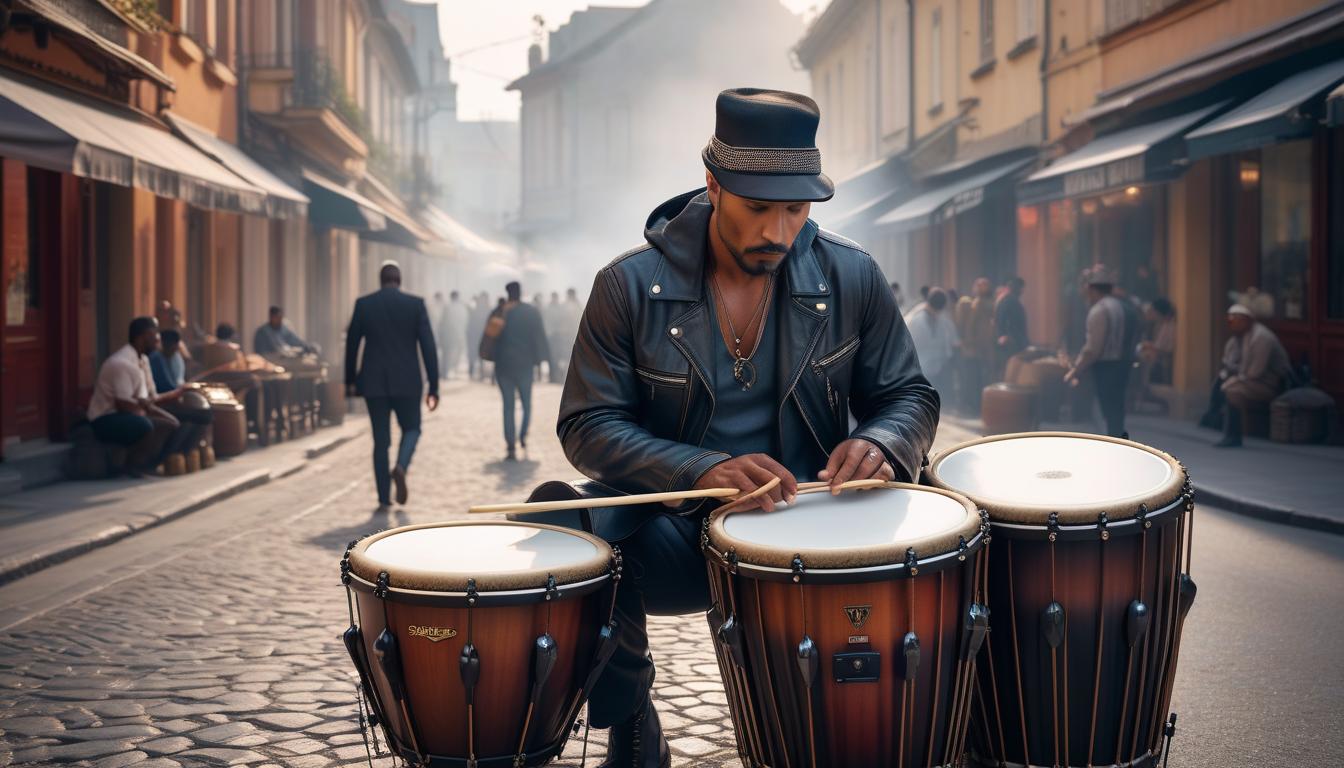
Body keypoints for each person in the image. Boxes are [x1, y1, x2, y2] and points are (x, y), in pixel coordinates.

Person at [556, 88, 938, 767]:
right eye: (759, 208)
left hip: (824, 523)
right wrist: (695, 470)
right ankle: (634, 719)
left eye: (796, 210)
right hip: (687, 529)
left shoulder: (852, 276)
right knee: (574, 542)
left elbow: (908, 394)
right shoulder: (626, 286)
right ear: (713, 185)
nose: (778, 231)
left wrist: (880, 443)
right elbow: (587, 424)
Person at [344, 261, 440, 508]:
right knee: (412, 428)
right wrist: (434, 386)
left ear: (381, 280)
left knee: (380, 441)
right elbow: (428, 347)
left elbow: (352, 344)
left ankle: (383, 497)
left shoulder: (364, 304)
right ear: (399, 280)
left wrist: (350, 381)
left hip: (374, 382)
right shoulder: (415, 305)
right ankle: (401, 465)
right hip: (408, 381)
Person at [88, 317, 198, 476]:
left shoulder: (144, 360)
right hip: (106, 418)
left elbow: (150, 397)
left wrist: (177, 395)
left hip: (133, 412)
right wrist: (150, 413)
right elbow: (123, 404)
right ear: (142, 337)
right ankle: (130, 466)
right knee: (145, 425)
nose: (158, 340)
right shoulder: (121, 363)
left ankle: (152, 464)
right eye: (155, 335)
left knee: (180, 421)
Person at [1210, 304, 1292, 447]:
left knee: (1232, 391)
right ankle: (1222, 425)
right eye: (1230, 322)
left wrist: (1233, 378)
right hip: (1251, 380)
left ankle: (1233, 436)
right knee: (1224, 384)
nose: (1231, 325)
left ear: (1245, 321)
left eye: (1235, 322)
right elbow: (1231, 362)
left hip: (1270, 384)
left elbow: (1254, 372)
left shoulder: (1261, 337)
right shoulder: (1238, 338)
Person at [1065, 265, 1130, 437]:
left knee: (1105, 410)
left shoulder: (1099, 310)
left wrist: (1075, 370)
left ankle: (1112, 442)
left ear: (1092, 289)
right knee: (1116, 409)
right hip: (1123, 363)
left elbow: (1093, 349)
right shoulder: (1122, 307)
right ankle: (1118, 440)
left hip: (1105, 366)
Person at [489, 281, 550, 460]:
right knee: (526, 404)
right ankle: (522, 436)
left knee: (508, 406)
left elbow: (490, 338)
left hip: (503, 366)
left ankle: (510, 444)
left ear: (507, 293)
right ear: (521, 292)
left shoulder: (500, 311)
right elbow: (539, 337)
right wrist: (541, 362)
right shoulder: (531, 312)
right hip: (525, 365)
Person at [905, 288, 959, 397]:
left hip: (936, 366)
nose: (938, 313)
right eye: (937, 311)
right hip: (920, 366)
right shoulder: (916, 319)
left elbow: (948, 337)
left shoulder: (941, 318)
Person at [962, 277, 996, 411]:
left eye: (984, 285)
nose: (981, 287)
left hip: (983, 347)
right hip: (981, 347)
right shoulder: (983, 302)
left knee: (980, 377)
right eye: (979, 285)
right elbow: (971, 325)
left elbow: (972, 325)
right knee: (978, 377)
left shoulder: (982, 302)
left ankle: (979, 405)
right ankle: (977, 405)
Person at [994, 276, 1029, 377]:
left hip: (1012, 341)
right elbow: (1003, 321)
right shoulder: (1010, 301)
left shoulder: (1006, 300)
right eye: (1021, 288)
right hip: (1013, 342)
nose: (1023, 291)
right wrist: (1004, 336)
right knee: (1011, 370)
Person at [440, 290, 469, 379]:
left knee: (447, 353)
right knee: (457, 353)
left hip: (448, 334)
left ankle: (445, 371)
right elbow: (466, 321)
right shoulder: (462, 308)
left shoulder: (448, 307)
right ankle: (453, 369)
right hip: (458, 334)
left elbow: (443, 322)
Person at [467, 292, 491, 381]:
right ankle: (475, 372)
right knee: (476, 355)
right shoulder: (487, 310)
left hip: (480, 336)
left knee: (477, 355)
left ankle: (475, 372)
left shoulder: (477, 310)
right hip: (478, 335)